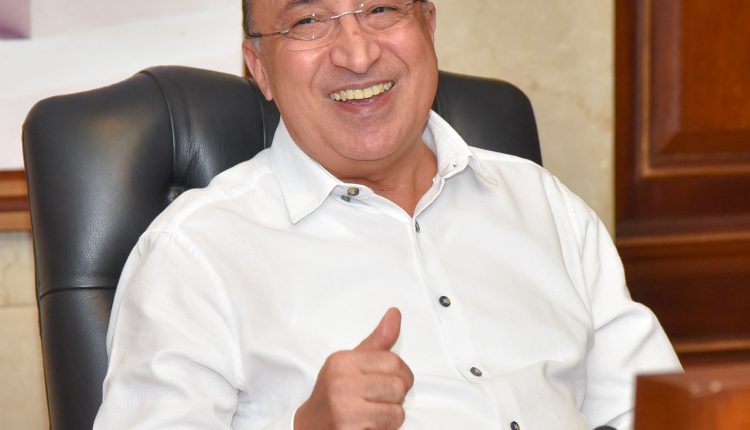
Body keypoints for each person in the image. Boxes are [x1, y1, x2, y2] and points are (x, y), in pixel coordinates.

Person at [94, 1, 682, 429]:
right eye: (308, 21)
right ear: (259, 67)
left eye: (381, 9)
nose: (357, 54)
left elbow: (659, 412)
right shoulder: (194, 254)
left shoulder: (544, 205)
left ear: (428, 25)